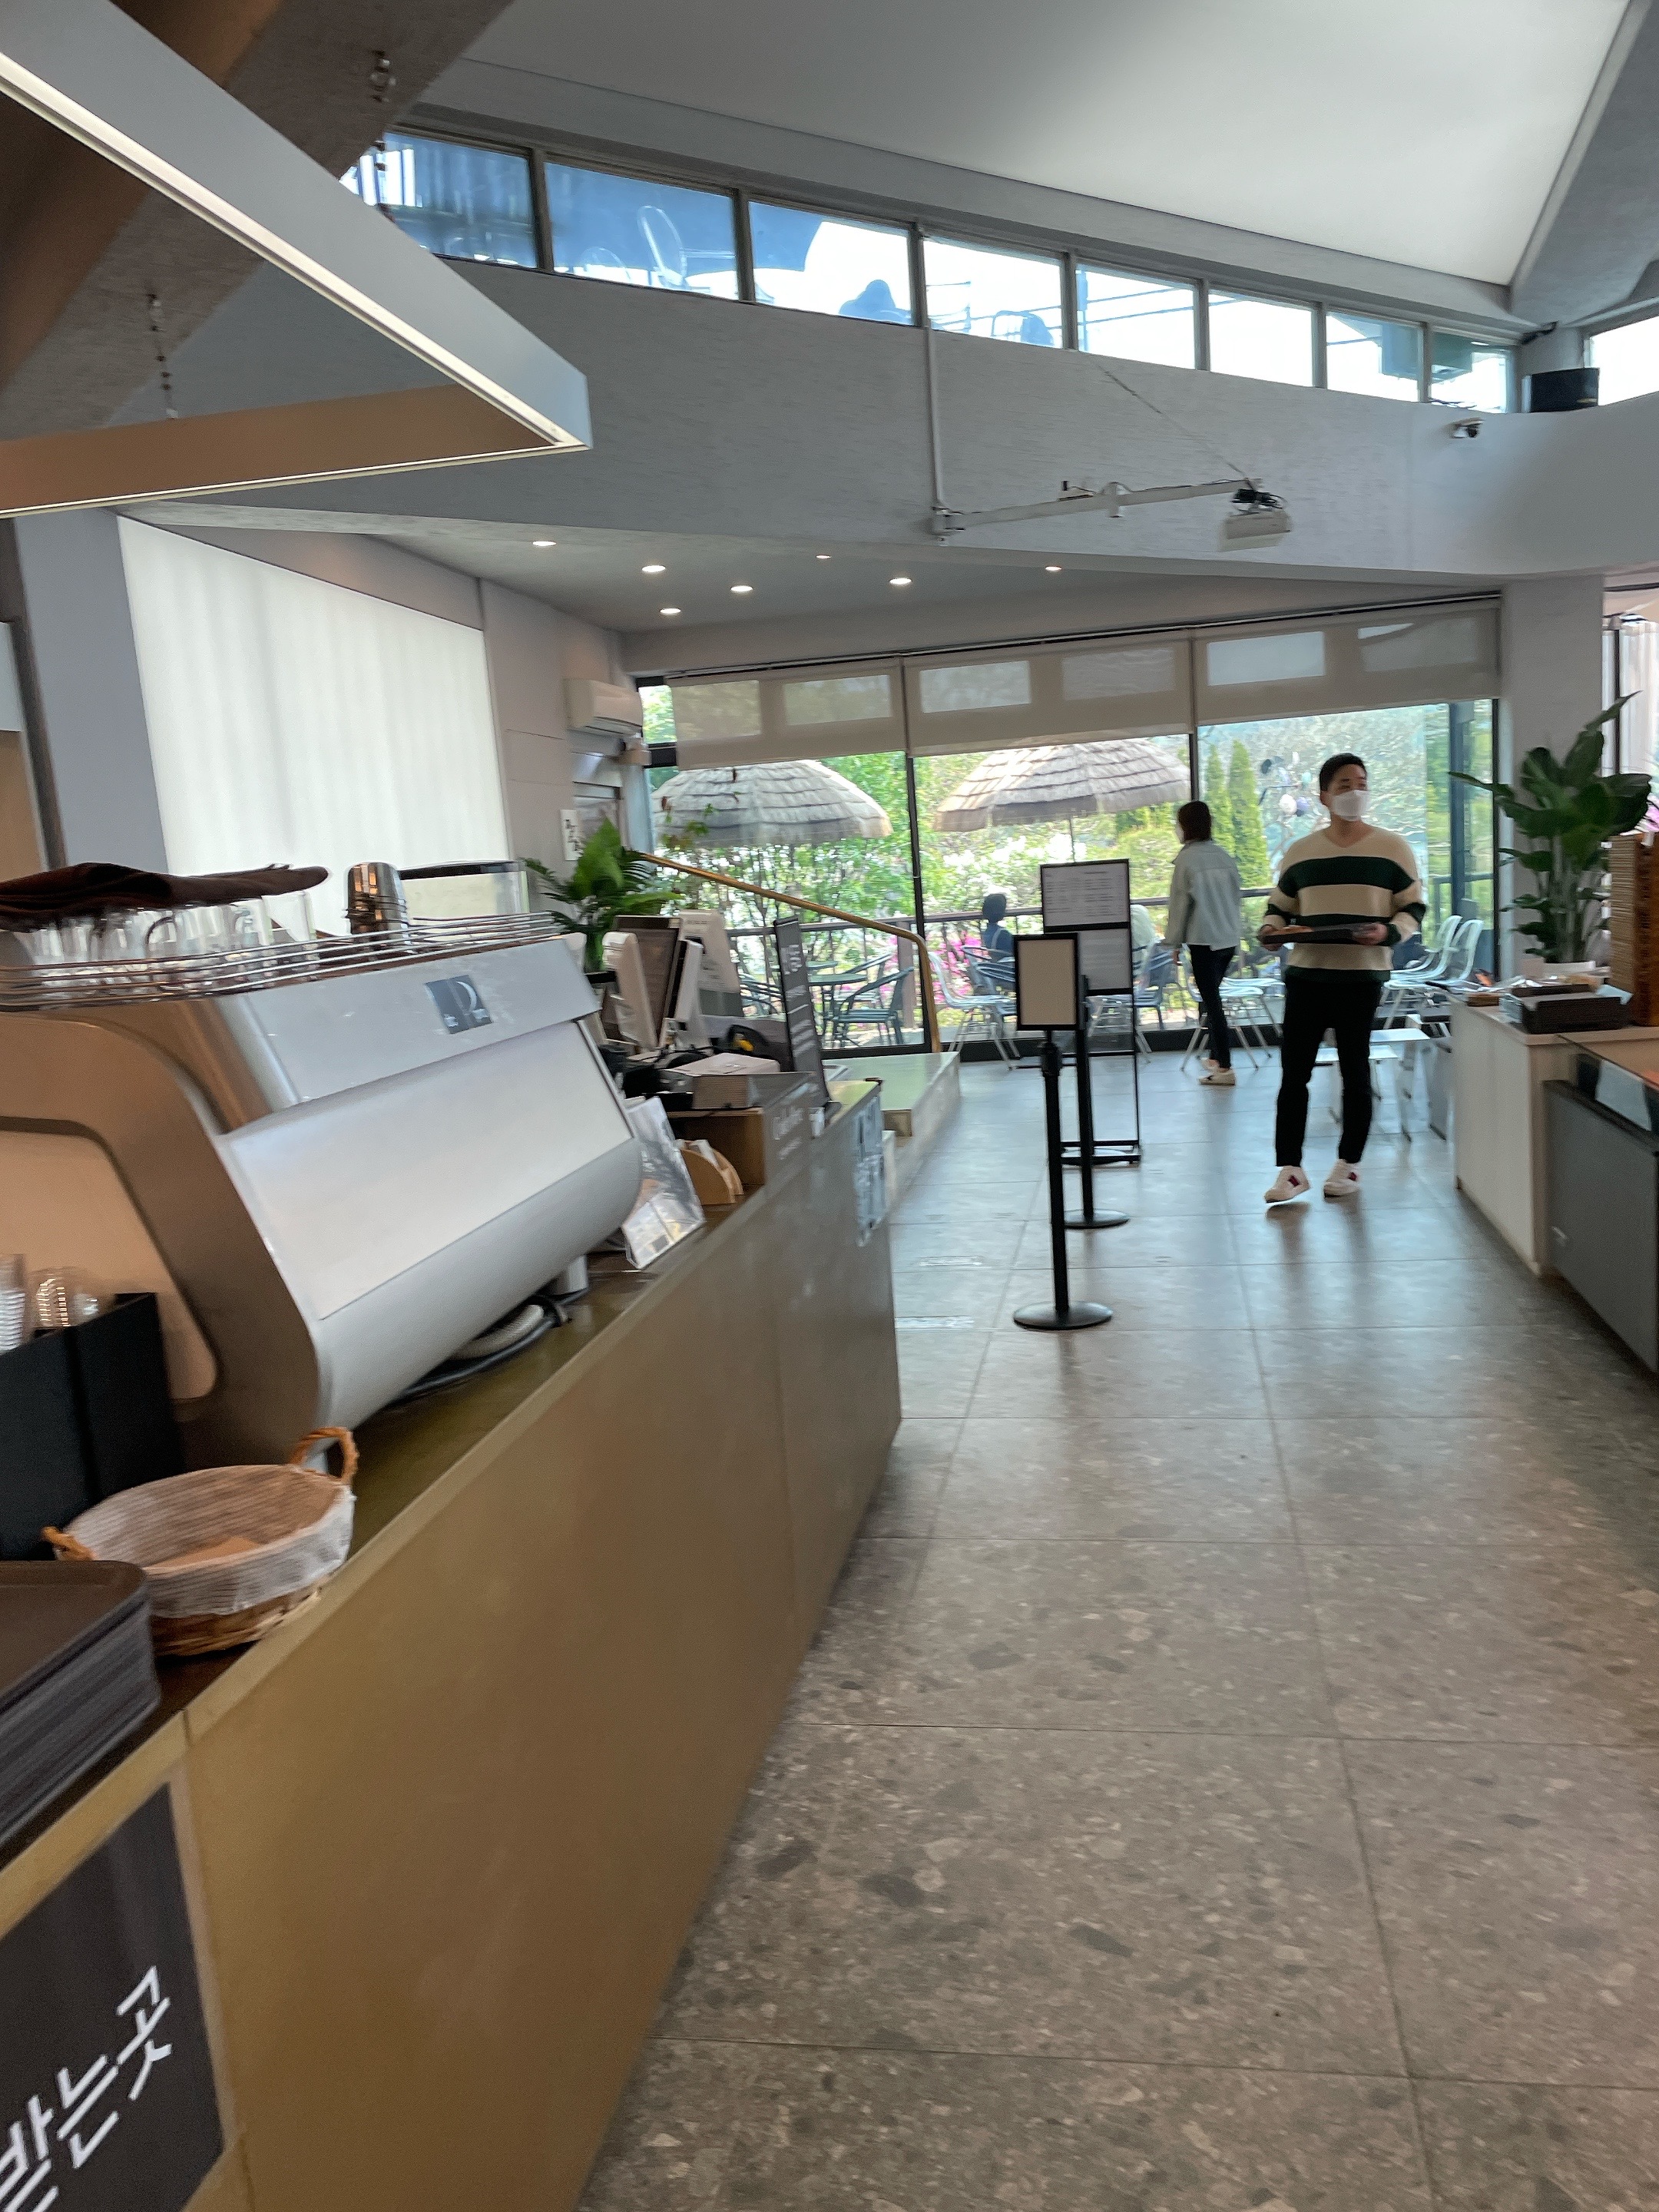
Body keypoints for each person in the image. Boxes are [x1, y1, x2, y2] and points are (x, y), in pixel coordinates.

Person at [1260, 753, 1424, 1203]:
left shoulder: (1392, 848)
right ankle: (1290, 1169)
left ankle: (1349, 1164)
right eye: (1345, 785)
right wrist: (1270, 931)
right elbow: (1280, 907)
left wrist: (1388, 933)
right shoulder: (1302, 851)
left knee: (1355, 1068)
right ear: (1324, 797)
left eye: (1362, 783)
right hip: (1307, 974)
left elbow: (1412, 908)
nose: (1356, 792)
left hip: (1361, 976)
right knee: (1294, 1073)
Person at [1162, 800, 1243, 1087]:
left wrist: (1173, 942)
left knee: (1213, 1004)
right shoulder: (1223, 856)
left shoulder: (1187, 861)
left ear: (1185, 826)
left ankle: (1225, 1067)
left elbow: (1179, 906)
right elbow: (1236, 898)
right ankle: (1215, 1057)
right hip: (1228, 940)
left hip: (1204, 941)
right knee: (1213, 1000)